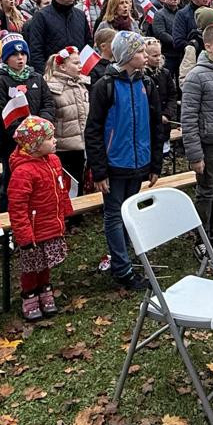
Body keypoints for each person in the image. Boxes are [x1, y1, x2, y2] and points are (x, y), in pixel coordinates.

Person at [84, 29, 164, 290]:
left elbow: (155, 125)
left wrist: (155, 164)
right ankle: (122, 267)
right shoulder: (104, 86)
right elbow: (93, 130)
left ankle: (127, 255)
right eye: (140, 51)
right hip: (114, 164)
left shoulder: (147, 84)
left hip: (139, 163)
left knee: (130, 213)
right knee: (114, 215)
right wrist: (99, 171)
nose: (145, 56)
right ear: (127, 56)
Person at [5, 115, 73, 321]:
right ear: (34, 145)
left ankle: (45, 289)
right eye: (49, 138)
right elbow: (17, 207)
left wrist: (64, 214)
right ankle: (30, 295)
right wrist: (24, 236)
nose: (55, 141)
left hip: (52, 223)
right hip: (33, 230)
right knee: (31, 266)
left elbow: (61, 190)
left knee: (46, 262)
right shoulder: (23, 172)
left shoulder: (53, 161)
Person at [0, 35, 53, 209]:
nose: (20, 58)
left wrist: (42, 127)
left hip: (40, 142)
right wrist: (27, 137)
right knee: (13, 184)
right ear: (6, 58)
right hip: (13, 145)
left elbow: (48, 103)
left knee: (39, 183)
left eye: (23, 54)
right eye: (15, 55)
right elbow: (5, 114)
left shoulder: (36, 78)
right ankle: (9, 225)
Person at [181, 22, 213, 233]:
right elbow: (189, 118)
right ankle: (201, 234)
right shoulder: (196, 76)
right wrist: (195, 155)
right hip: (208, 146)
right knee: (207, 191)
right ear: (208, 46)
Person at [44, 47, 90, 193]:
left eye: (80, 63)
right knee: (65, 183)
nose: (80, 66)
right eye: (76, 63)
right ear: (62, 66)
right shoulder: (51, 88)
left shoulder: (82, 84)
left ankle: (78, 210)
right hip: (63, 147)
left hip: (81, 143)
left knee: (80, 180)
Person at [22, 0, 92, 73]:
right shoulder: (41, 16)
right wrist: (45, 75)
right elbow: (35, 50)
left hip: (78, 74)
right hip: (52, 75)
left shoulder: (80, 15)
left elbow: (88, 44)